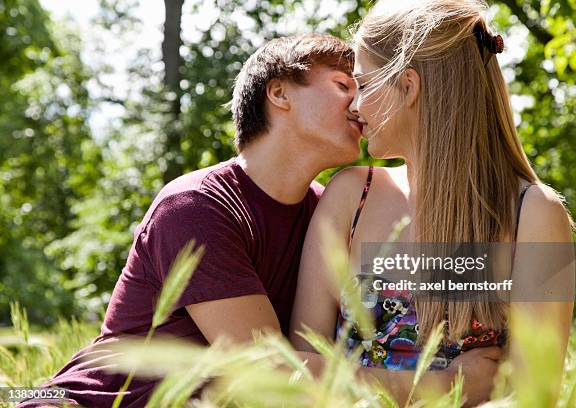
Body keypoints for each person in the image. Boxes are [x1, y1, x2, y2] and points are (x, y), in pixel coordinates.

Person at [18, 33, 363, 408]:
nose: (360, 102)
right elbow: (269, 369)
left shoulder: (329, 209)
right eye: (343, 84)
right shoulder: (197, 205)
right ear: (279, 94)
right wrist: (415, 383)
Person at [290, 0, 575, 406]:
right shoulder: (351, 195)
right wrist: (439, 390)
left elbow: (536, 395)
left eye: (365, 84)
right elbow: (296, 366)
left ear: (408, 85)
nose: (354, 106)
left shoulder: (535, 213)